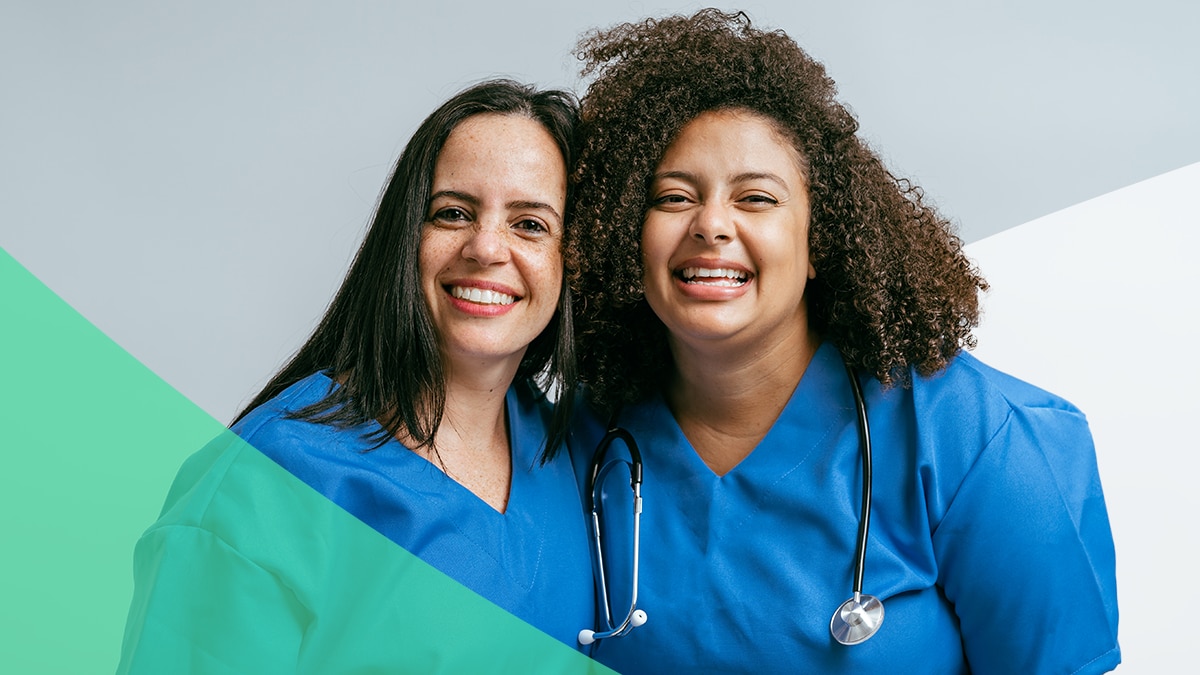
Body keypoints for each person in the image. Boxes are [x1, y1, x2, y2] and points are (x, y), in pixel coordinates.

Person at [566, 9, 1120, 674]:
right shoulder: (585, 438)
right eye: (674, 197)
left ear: (819, 241)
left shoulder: (982, 441)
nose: (711, 224)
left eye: (756, 199)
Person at [117, 79, 597, 672]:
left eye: (530, 224)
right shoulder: (267, 481)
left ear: (573, 259)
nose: (485, 248)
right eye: (452, 213)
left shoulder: (571, 454)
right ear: (405, 236)